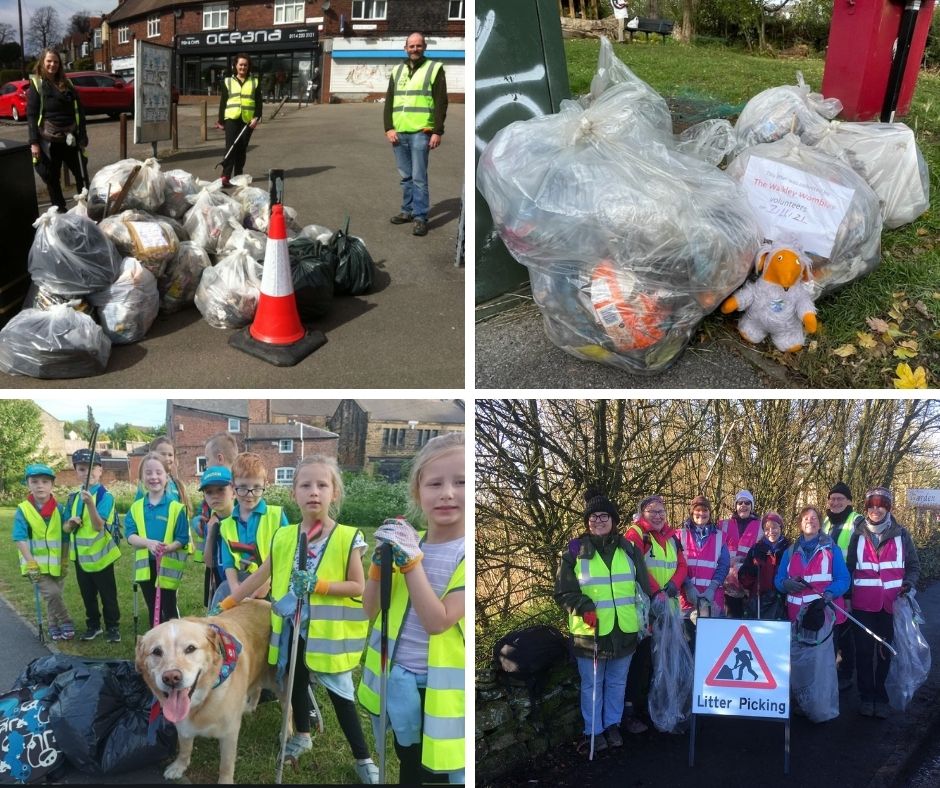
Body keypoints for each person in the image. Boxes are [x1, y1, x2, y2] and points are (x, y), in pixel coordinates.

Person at [216, 455, 378, 783]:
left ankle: (363, 758)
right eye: (305, 485)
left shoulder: (347, 537)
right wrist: (230, 602)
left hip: (330, 636)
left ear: (335, 492)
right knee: (295, 682)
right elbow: (263, 573)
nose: (313, 491)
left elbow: (357, 585)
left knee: (341, 697)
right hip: (292, 629)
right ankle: (302, 735)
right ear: (294, 493)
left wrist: (320, 585)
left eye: (322, 485)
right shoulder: (285, 536)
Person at [358, 432, 466, 784]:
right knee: (407, 760)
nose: (447, 492)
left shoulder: (466, 553)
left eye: (461, 482)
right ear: (418, 492)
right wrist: (377, 566)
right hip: (400, 680)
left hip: (438, 689)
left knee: (434, 769)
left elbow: (439, 621)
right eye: (435, 483)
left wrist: (411, 562)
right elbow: (369, 609)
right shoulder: (412, 545)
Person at [555, 487, 651, 757]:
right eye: (593, 517)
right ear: (587, 522)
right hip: (590, 632)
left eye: (604, 516)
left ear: (614, 520)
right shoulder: (574, 550)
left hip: (625, 629)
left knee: (617, 682)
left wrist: (648, 615)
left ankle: (612, 725)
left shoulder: (629, 549)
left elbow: (642, 589)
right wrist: (583, 606)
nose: (598, 520)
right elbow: (563, 591)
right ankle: (593, 731)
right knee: (592, 684)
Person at [846, 487, 920, 719]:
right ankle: (867, 697)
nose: (875, 509)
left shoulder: (902, 534)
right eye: (871, 505)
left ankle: (881, 696)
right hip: (862, 604)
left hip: (891, 604)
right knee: (864, 653)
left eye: (881, 505)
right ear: (866, 508)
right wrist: (847, 598)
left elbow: (914, 566)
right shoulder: (857, 534)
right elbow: (849, 569)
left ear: (887, 508)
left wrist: (908, 583)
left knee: (886, 653)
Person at [623, 494, 687, 732]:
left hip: (669, 607)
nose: (658, 516)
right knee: (641, 661)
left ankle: (660, 707)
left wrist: (674, 585)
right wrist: (655, 592)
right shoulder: (636, 534)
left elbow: (682, 565)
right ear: (642, 514)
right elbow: (636, 567)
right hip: (645, 610)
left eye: (662, 511)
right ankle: (633, 712)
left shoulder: (671, 537)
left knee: (665, 660)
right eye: (653, 512)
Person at [384, 31, 448, 237]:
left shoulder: (434, 68)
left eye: (418, 45)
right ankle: (407, 211)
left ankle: (420, 217)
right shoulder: (397, 70)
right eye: (411, 46)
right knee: (406, 177)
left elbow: (441, 102)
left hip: (422, 131)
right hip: (399, 132)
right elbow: (389, 101)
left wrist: (437, 131)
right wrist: (389, 127)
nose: (414, 49)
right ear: (406, 48)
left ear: (424, 47)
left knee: (419, 178)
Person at [209, 452, 288, 609]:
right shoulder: (226, 525)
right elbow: (228, 564)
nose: (250, 495)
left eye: (257, 488)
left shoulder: (276, 516)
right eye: (243, 488)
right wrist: (235, 589)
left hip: (273, 581)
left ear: (265, 484)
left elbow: (287, 554)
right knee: (221, 597)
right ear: (232, 486)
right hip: (240, 582)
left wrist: (267, 582)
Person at [125, 452, 190, 626]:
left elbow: (182, 538)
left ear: (167, 477)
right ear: (141, 478)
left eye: (158, 472)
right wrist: (148, 543)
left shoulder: (176, 508)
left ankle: (174, 642)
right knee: (152, 605)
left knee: (169, 608)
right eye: (148, 473)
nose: (154, 477)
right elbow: (130, 535)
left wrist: (169, 547)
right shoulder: (136, 508)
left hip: (168, 567)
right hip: (146, 567)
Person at [64, 449, 121, 643]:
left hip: (102, 556)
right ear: (76, 472)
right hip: (81, 558)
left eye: (91, 469)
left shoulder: (105, 496)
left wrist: (89, 504)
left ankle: (113, 627)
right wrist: (70, 524)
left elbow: (98, 526)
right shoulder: (72, 497)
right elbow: (65, 527)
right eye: (81, 469)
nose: (86, 473)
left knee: (108, 595)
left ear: (100, 470)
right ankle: (93, 625)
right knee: (88, 595)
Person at [14, 464, 75, 641]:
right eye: (34, 482)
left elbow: (64, 537)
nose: (40, 485)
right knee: (53, 593)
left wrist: (64, 560)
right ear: (28, 484)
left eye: (45, 482)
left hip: (56, 564)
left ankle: (52, 625)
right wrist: (31, 563)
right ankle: (66, 620)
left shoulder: (60, 509)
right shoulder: (23, 509)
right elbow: (20, 538)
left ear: (52, 485)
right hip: (35, 564)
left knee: (53, 596)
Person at [27, 48, 89, 212]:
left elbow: (79, 110)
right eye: (49, 61)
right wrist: (34, 143)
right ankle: (60, 212)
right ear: (42, 62)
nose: (52, 64)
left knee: (81, 174)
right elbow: (32, 115)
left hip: (70, 139)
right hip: (49, 142)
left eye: (56, 62)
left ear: (59, 64)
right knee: (52, 179)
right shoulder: (37, 84)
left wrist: (82, 136)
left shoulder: (67, 83)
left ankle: (86, 208)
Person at [775, 505, 849, 628]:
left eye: (814, 518)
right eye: (806, 518)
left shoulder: (832, 549)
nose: (810, 521)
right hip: (796, 618)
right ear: (800, 525)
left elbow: (843, 579)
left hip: (825, 617)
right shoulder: (790, 551)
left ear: (820, 524)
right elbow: (779, 579)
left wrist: (831, 592)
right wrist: (785, 584)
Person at [192, 433, 239, 607]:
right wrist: (210, 532)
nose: (215, 496)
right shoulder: (211, 518)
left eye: (221, 490)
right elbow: (209, 561)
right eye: (209, 492)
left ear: (233, 490)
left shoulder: (242, 518)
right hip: (218, 582)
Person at [822, 481, 861, 691]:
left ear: (849, 501)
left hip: (850, 585)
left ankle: (846, 674)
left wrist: (849, 593)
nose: (835, 502)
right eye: (833, 498)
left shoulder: (857, 521)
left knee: (846, 632)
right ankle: (834, 671)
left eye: (840, 499)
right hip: (830, 585)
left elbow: (859, 559)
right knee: (833, 628)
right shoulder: (826, 521)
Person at [679, 495, 729, 643]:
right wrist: (688, 586)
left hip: (712, 600)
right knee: (688, 645)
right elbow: (677, 564)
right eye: (698, 510)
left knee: (710, 646)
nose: (701, 514)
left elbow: (724, 565)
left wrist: (712, 588)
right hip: (687, 599)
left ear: (710, 512)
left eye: (705, 510)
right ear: (691, 513)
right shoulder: (680, 535)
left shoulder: (720, 536)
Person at [215, 52, 262, 188]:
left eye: (245, 65)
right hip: (232, 118)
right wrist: (221, 120)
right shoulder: (228, 81)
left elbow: (258, 102)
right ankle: (226, 175)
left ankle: (239, 175)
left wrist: (256, 118)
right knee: (230, 146)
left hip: (248, 120)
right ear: (235, 65)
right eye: (240, 64)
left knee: (242, 148)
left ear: (249, 67)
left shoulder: (254, 82)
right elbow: (223, 102)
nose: (243, 67)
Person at [718, 490, 762, 618]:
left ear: (752, 506)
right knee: (729, 625)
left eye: (747, 503)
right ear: (735, 506)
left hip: (748, 585)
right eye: (740, 502)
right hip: (727, 586)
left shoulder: (761, 526)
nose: (743, 505)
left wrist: (744, 561)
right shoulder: (723, 525)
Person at [739, 512, 790, 620]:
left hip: (781, 601)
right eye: (767, 528)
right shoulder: (756, 548)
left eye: (775, 527)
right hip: (758, 602)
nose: (771, 531)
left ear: (781, 528)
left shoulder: (789, 548)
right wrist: (751, 571)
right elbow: (744, 578)